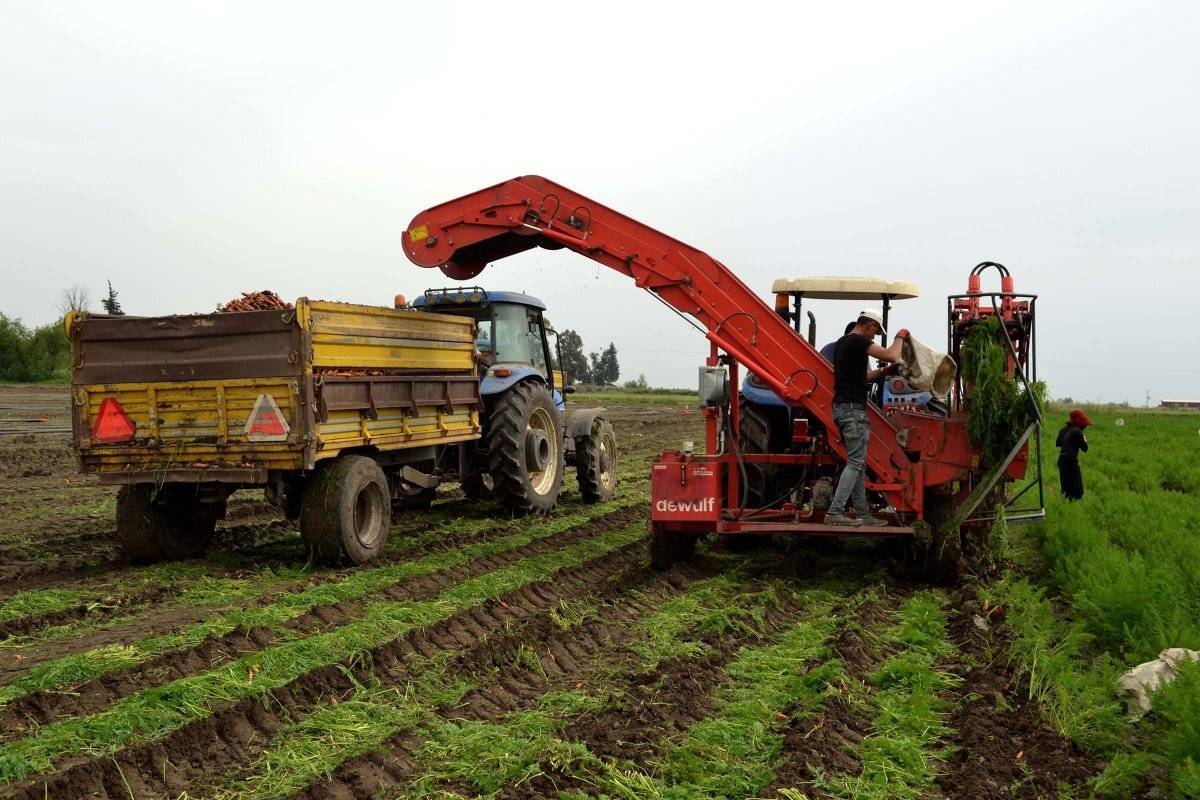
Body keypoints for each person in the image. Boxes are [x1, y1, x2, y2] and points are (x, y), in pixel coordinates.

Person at [824, 309, 907, 526]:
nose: (874, 336)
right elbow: (891, 354)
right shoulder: (858, 341)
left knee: (858, 463)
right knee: (855, 463)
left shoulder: (842, 342)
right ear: (869, 324)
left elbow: (861, 376)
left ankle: (864, 514)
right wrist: (901, 336)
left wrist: (883, 373)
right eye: (876, 331)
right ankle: (834, 512)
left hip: (842, 408)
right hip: (853, 411)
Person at [1056, 409, 1091, 500]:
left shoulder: (1063, 430)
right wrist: (1084, 438)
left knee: (1066, 486)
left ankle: (1067, 504)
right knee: (1076, 488)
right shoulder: (1078, 431)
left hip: (1061, 460)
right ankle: (1073, 506)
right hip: (1070, 461)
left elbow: (1058, 443)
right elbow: (1085, 448)